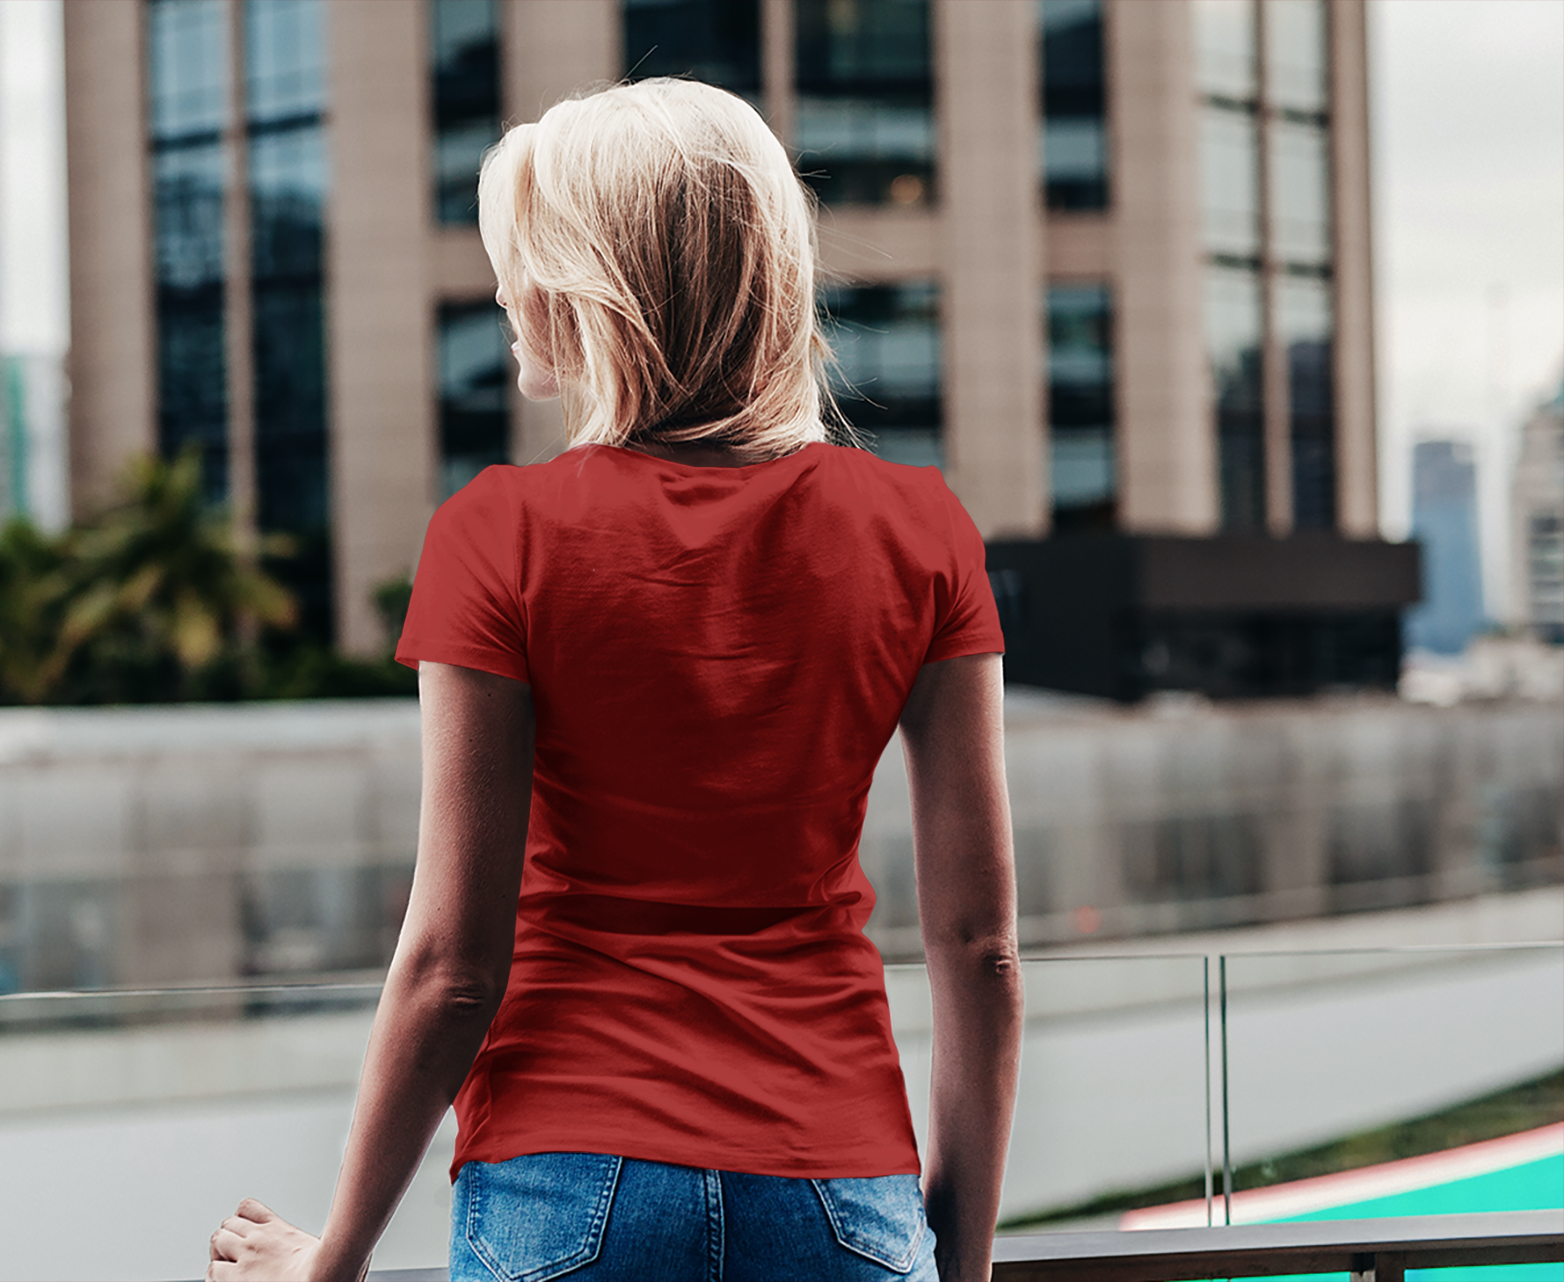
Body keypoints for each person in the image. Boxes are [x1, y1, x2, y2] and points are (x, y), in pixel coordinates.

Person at [207, 78, 1022, 1282]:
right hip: (839, 1194)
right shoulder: (919, 528)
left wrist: (329, 1263)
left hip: (569, 1184)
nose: (502, 290)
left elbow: (451, 966)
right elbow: (979, 947)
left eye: (523, 259)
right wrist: (960, 1265)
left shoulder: (500, 534)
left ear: (597, 288)